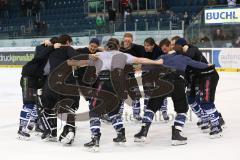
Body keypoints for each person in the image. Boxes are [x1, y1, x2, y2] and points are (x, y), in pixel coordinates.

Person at [67, 38, 164, 152]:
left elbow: (80, 62)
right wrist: (157, 62)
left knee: (94, 110)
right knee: (113, 111)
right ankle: (121, 134)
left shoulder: (99, 54)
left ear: (107, 47)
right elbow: (140, 59)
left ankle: (95, 139)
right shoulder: (123, 55)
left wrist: (72, 62)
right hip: (119, 86)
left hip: (104, 81)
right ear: (117, 47)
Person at [134, 40, 211, 145]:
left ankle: (143, 132)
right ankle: (176, 134)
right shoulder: (185, 58)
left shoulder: (165, 57)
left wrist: (140, 67)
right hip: (178, 82)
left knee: (151, 107)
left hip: (163, 82)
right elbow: (200, 65)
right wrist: (210, 65)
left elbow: (152, 64)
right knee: (182, 110)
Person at [174, 38, 225, 138]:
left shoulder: (192, 49)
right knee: (192, 99)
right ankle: (205, 118)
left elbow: (188, 57)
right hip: (197, 78)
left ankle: (217, 125)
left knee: (205, 101)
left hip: (208, 75)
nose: (174, 47)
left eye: (175, 45)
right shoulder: (180, 54)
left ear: (183, 45)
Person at [40, 35, 81, 144]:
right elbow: (78, 58)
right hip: (66, 81)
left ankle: (51, 131)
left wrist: (48, 44)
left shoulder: (51, 50)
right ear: (67, 42)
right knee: (70, 107)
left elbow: (39, 54)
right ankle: (70, 130)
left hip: (50, 83)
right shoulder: (67, 48)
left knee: (49, 107)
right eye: (70, 43)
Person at [17, 37, 58, 140]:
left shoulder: (54, 55)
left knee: (38, 103)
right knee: (29, 103)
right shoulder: (42, 49)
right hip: (28, 77)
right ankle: (21, 129)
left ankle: (34, 124)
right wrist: (48, 45)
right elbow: (40, 55)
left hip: (39, 80)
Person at [120, 33, 145, 122]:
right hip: (120, 75)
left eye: (129, 40)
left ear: (132, 40)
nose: (126, 42)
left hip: (131, 75)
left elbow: (142, 59)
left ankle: (136, 114)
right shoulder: (119, 49)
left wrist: (138, 66)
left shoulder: (138, 48)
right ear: (123, 40)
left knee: (136, 94)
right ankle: (118, 113)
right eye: (125, 40)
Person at [143, 37, 169, 121]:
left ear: (153, 45)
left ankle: (164, 111)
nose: (146, 47)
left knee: (162, 92)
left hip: (160, 73)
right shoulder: (143, 51)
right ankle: (146, 111)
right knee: (147, 92)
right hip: (149, 73)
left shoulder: (158, 51)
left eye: (148, 46)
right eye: (145, 45)